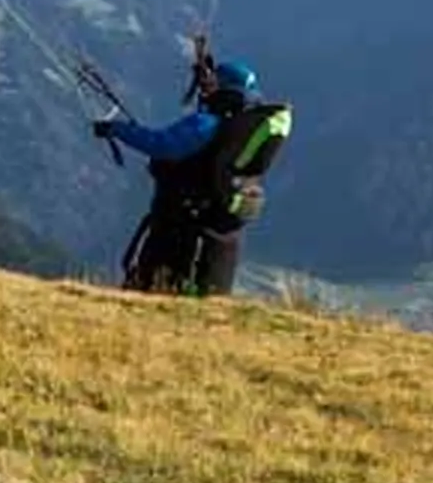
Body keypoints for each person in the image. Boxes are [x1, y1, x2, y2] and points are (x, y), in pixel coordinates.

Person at [92, 34, 293, 298]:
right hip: (214, 229)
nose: (205, 89)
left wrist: (116, 129)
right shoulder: (238, 130)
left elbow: (161, 144)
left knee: (155, 289)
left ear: (225, 90)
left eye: (212, 84)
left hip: (180, 223)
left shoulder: (205, 124)